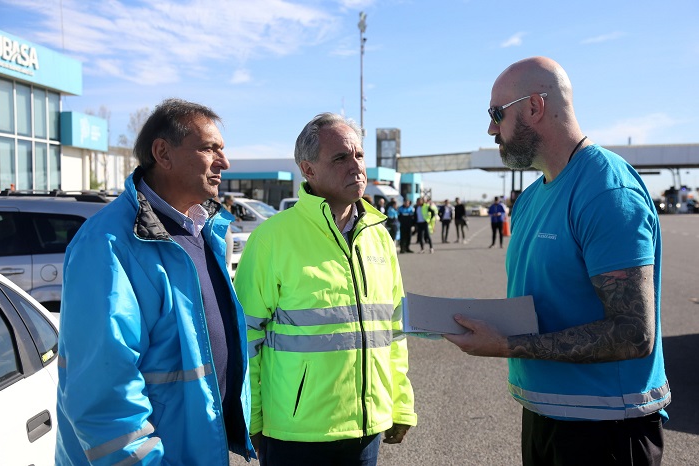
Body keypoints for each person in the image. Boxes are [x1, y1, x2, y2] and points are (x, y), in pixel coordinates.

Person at [444, 56, 669, 466]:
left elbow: (634, 332)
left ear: (534, 107)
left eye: (496, 114)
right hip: (546, 417)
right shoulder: (531, 197)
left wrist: (508, 345)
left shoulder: (606, 191)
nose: (491, 129)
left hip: (607, 429)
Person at [55, 99, 255, 465]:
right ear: (163, 153)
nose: (223, 163)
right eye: (210, 149)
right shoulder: (107, 244)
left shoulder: (201, 230)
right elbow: (103, 395)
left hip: (194, 449)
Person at [234, 112, 418, 466]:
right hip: (296, 434)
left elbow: (394, 330)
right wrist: (253, 420)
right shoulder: (272, 239)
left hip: (367, 431)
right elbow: (246, 337)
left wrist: (400, 403)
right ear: (308, 169)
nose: (356, 166)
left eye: (359, 155)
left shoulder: (379, 236)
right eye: (340, 157)